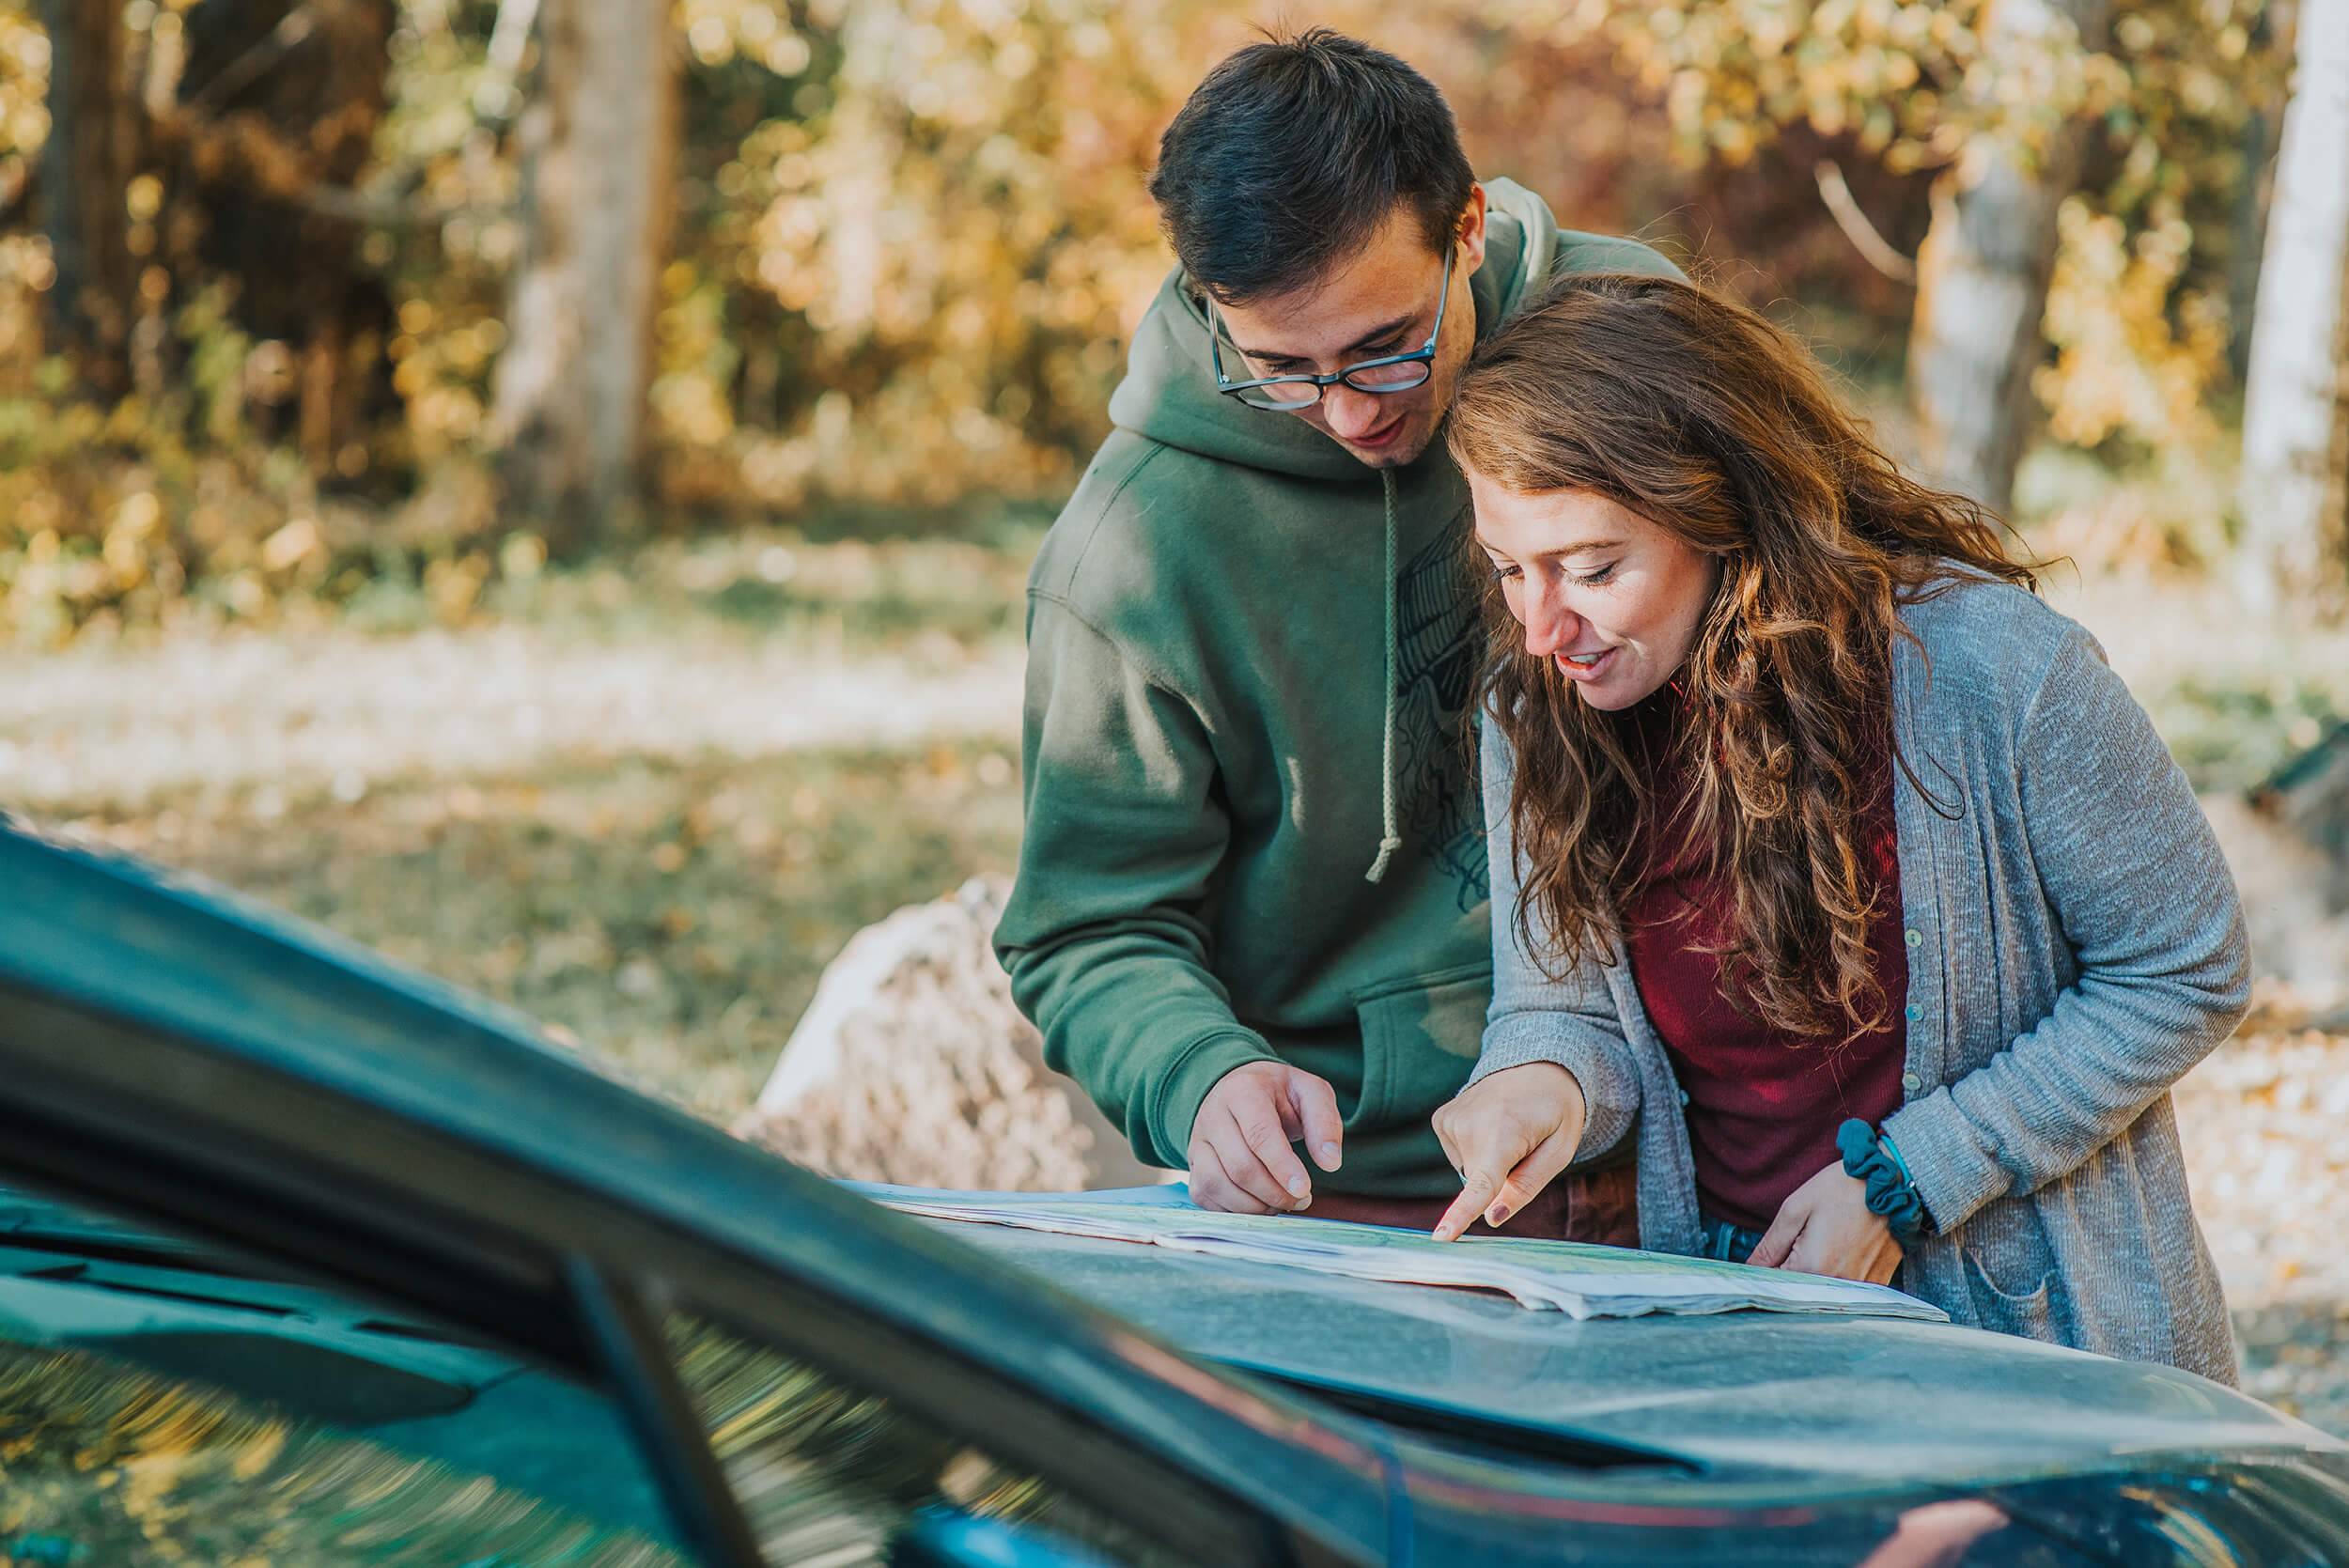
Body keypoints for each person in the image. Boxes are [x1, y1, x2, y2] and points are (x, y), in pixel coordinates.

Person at [1429, 272, 2250, 1383]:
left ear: (1720, 511)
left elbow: (2183, 966)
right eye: (1506, 568)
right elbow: (1563, 1006)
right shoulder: (1530, 714)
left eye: (1590, 567)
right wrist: (1539, 1079)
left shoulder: (1994, 671)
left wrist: (1907, 1177)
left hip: (2036, 1348)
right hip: (1738, 1339)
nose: (1540, 627)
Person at [991, 30, 1679, 1234]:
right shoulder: (1133, 554)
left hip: (1715, 1125)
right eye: (1282, 371)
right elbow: (1089, 927)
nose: (1350, 413)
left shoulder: (1641, 343)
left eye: (1386, 345)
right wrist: (1198, 1074)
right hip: (1384, 1189)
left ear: (1464, 228)